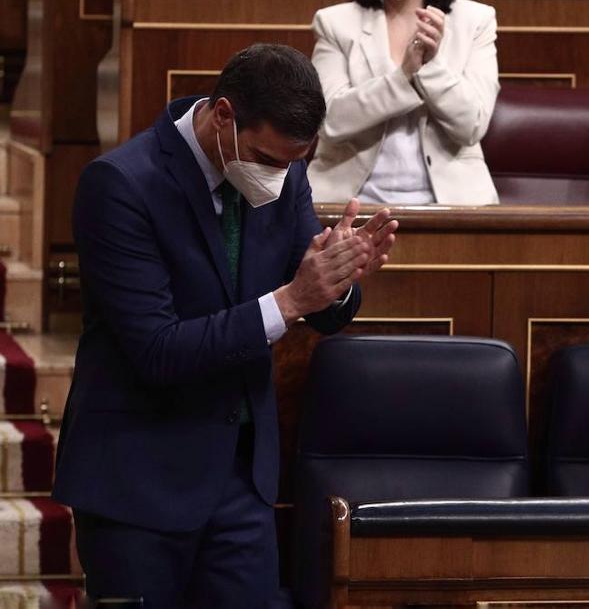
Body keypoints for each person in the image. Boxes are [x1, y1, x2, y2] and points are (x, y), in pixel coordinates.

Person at [53, 44, 398, 606]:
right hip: (139, 481)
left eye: (292, 163)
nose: (277, 176)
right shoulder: (120, 185)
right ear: (223, 116)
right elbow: (157, 349)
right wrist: (291, 299)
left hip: (240, 482)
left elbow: (315, 298)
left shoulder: (284, 172)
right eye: (265, 158)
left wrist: (339, 275)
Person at [308, 0, 500, 205]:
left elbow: (471, 125)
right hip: (351, 202)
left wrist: (430, 68)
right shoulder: (335, 23)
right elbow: (329, 122)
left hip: (450, 204)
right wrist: (403, 76)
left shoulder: (474, 21)